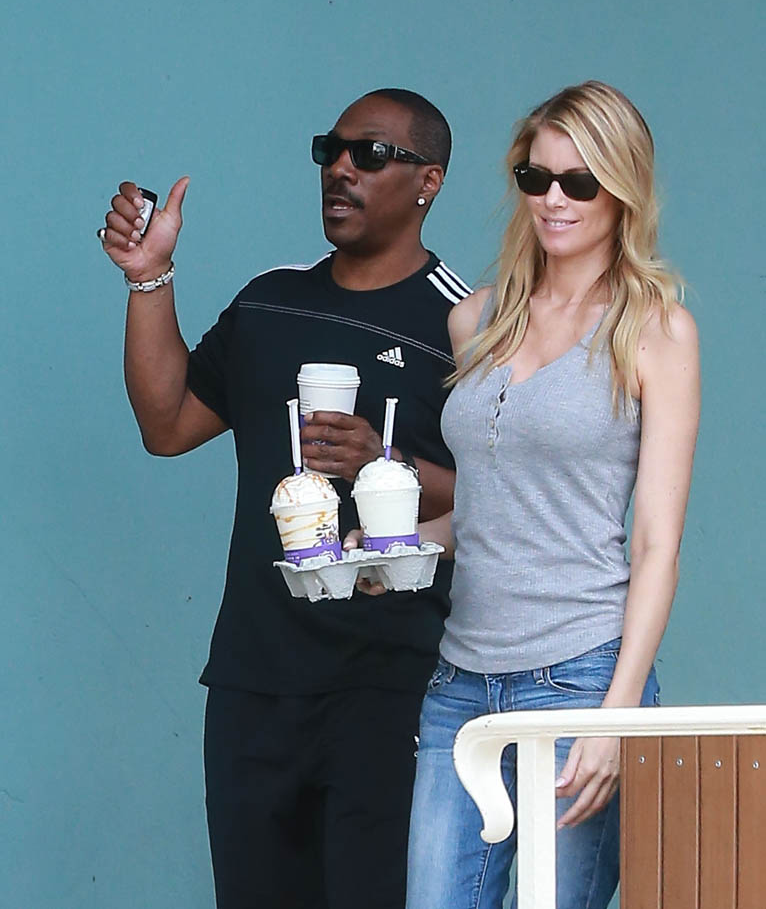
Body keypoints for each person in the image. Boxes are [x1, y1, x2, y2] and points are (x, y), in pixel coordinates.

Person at [98, 88, 472, 909]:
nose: (341, 169)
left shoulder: (466, 324)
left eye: (370, 154)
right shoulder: (272, 300)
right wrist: (148, 278)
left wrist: (386, 462)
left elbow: (503, 499)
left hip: (393, 681)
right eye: (329, 151)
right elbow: (167, 424)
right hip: (255, 678)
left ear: (428, 181)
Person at [399, 81, 700, 909]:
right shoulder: (478, 320)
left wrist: (617, 714)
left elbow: (657, 544)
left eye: (579, 182)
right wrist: (389, 550)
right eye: (536, 178)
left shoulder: (655, 331)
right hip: (461, 681)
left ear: (622, 189)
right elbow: (490, 508)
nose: (554, 200)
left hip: (582, 676)